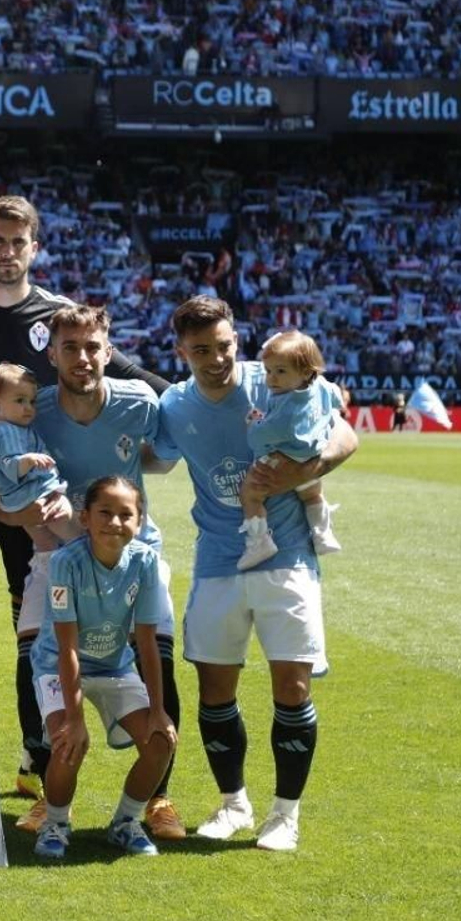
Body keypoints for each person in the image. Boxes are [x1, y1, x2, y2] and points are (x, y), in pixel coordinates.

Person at [0, 195, 167, 793]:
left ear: (35, 247)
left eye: (18, 242)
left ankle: (33, 763)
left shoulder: (61, 318)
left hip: (36, 508)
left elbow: (130, 374)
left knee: (28, 633)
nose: (8, 253)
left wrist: (207, 395)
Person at [154, 296, 358, 852]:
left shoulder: (274, 378)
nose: (216, 358)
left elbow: (346, 436)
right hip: (219, 560)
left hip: (287, 556)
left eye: (223, 345)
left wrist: (301, 472)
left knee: (291, 688)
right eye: (200, 350)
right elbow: (154, 458)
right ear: (181, 351)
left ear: (236, 339)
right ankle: (233, 804)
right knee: (215, 690)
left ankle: (284, 816)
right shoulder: (173, 405)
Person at [11, 304, 186, 840]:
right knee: (32, 659)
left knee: (157, 654)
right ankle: (46, 792)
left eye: (93, 348)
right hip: (58, 554)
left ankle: (156, 799)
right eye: (71, 348)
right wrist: (33, 518)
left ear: (109, 351)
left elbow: (170, 453)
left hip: (133, 553)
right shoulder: (32, 411)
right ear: (52, 353)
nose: (83, 358)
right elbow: (1, 501)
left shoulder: (139, 402)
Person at [29, 476, 176, 860]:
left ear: (139, 522)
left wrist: (159, 712)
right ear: (85, 519)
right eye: (105, 512)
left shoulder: (146, 563)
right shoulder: (65, 563)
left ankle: (125, 823)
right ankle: (56, 823)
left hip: (114, 666)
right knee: (67, 740)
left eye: (125, 514)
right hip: (58, 662)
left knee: (162, 741)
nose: (114, 522)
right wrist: (75, 718)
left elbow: (146, 642)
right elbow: (67, 647)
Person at [238, 330, 345, 570]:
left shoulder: (287, 410)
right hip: (312, 456)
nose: (271, 379)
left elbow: (259, 438)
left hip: (283, 458)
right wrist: (338, 403)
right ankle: (322, 533)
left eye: (281, 371)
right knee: (312, 494)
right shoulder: (319, 385)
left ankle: (259, 542)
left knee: (249, 494)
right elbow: (336, 396)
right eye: (268, 371)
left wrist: (253, 423)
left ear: (305, 372)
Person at [0, 362, 74, 552]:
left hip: (15, 500)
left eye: (32, 401)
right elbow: (10, 465)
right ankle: (85, 563)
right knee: (73, 532)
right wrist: (28, 460)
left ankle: (47, 571)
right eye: (20, 400)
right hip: (36, 492)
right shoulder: (7, 431)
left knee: (45, 543)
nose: (28, 407)